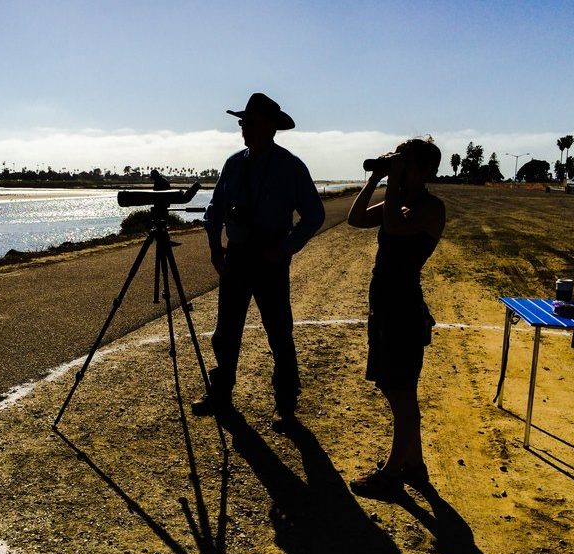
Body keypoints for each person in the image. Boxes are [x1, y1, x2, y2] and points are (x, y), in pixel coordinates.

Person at [191, 93, 325, 432]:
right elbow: (214, 211)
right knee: (225, 331)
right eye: (242, 123)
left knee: (279, 332)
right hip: (236, 256)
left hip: (270, 258)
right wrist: (215, 249)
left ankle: (286, 404)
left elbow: (314, 215)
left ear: (270, 128)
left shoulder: (290, 166)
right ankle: (220, 393)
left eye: (250, 123)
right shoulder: (234, 164)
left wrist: (285, 248)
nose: (244, 130)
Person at [346, 137, 446, 496]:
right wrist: (376, 179)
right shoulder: (399, 200)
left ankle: (392, 475)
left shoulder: (431, 207)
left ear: (420, 169)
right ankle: (414, 464)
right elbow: (355, 219)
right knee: (396, 387)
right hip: (386, 304)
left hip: (403, 307)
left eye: (404, 160)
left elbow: (392, 227)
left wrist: (394, 182)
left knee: (401, 391)